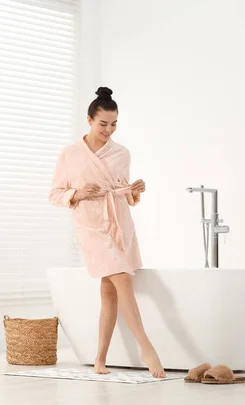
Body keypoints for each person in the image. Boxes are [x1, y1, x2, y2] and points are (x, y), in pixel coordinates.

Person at [49, 87, 166, 378]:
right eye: (103, 124)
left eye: (114, 124)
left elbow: (124, 193)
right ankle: (147, 348)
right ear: (89, 120)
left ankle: (99, 359)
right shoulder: (70, 154)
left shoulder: (121, 153)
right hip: (91, 226)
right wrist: (78, 192)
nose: (109, 130)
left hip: (118, 224)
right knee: (123, 280)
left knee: (108, 291)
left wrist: (135, 190)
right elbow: (55, 193)